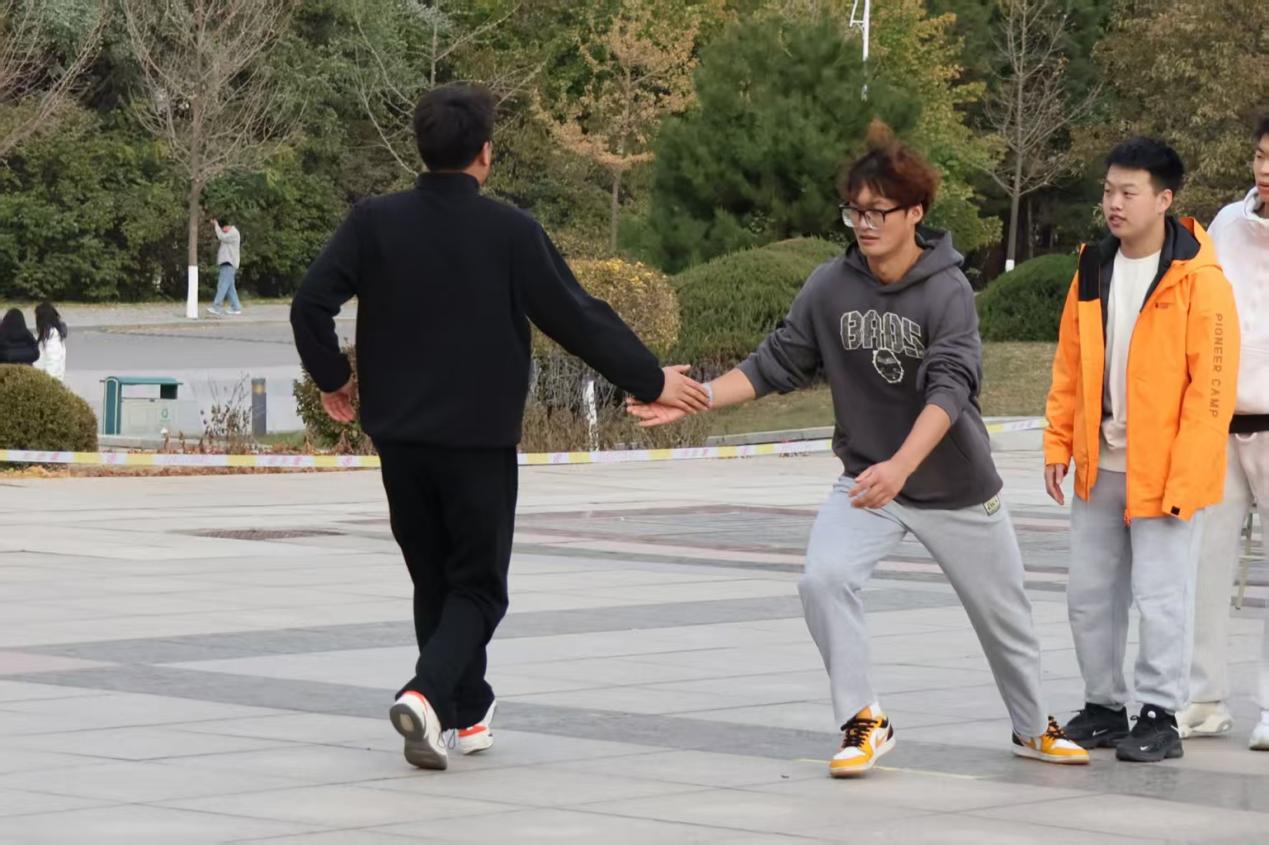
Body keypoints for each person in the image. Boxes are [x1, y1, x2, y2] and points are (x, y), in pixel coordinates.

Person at [629, 121, 1089, 777]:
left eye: (878, 211)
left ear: (915, 212)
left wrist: (903, 465)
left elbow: (950, 388)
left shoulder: (948, 290)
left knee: (1003, 617)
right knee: (823, 579)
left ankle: (1031, 726)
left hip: (953, 486)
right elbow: (774, 363)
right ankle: (863, 718)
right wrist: (694, 397)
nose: (864, 224)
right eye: (854, 211)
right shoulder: (830, 286)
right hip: (869, 479)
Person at [290, 83, 709, 771]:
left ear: (421, 149)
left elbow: (310, 303)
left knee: (435, 580)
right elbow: (576, 316)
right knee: (480, 588)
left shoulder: (373, 223)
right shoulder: (510, 232)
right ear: (485, 154)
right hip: (477, 442)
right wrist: (648, 377)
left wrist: (334, 377)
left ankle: (466, 710)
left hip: (400, 440)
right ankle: (426, 693)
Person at [1045, 138, 1239, 763]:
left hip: (1166, 470)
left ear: (1164, 199)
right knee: (1090, 596)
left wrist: (1188, 474)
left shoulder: (1199, 278)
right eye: (1109, 191)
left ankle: (1160, 714)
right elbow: (1070, 364)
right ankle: (1104, 706)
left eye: (1129, 192)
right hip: (1099, 463)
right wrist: (1057, 441)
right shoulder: (1092, 267)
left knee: (1162, 599)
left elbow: (1211, 390)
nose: (1114, 203)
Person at [1181, 114, 1269, 750]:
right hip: (1222, 422)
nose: (1265, 170)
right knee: (1204, 562)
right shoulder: (1225, 226)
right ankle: (1203, 697)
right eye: (1261, 156)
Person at [208, 217, 242, 316]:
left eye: (223, 228)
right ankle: (236, 307)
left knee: (222, 285)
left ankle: (216, 307)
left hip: (229, 263)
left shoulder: (233, 233)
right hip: (226, 263)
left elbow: (221, 237)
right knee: (230, 288)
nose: (222, 230)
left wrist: (216, 226)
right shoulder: (230, 233)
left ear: (226, 226)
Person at [33, 301, 68, 382]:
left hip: (48, 383)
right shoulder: (50, 335)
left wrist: (46, 384)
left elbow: (52, 365)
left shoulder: (53, 339)